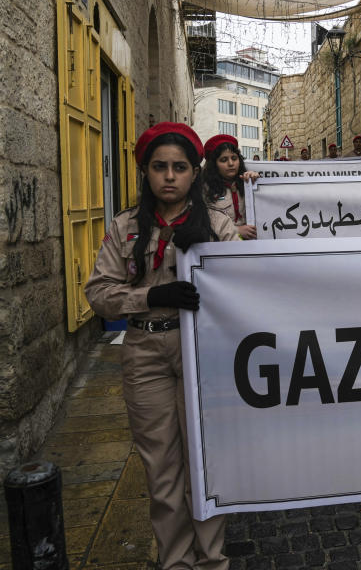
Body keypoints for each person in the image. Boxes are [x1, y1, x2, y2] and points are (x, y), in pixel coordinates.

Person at [85, 122, 239, 570]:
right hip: (146, 350)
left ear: (194, 172)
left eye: (179, 167)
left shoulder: (216, 224)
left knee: (204, 460)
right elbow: (98, 293)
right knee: (161, 465)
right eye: (159, 167)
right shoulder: (125, 227)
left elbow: (247, 288)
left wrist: (210, 256)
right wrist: (149, 296)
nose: (169, 176)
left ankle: (212, 559)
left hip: (201, 352)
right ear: (145, 172)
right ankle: (175, 561)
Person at [201, 134, 258, 240]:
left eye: (234, 158)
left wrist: (256, 183)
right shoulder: (204, 189)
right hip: (223, 248)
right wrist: (237, 230)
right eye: (223, 160)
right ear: (214, 164)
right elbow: (204, 224)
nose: (231, 163)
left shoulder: (247, 182)